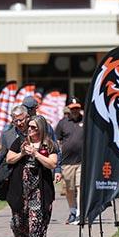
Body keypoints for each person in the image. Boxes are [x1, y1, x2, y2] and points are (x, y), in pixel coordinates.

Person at [6, 115, 57, 237]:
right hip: (20, 190)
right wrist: (22, 154)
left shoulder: (49, 145)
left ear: (41, 129)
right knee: (17, 222)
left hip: (39, 190)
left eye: (34, 127)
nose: (30, 130)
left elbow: (52, 163)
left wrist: (36, 154)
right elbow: (9, 159)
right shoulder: (21, 142)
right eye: (29, 127)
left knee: (35, 221)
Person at [55, 96, 83, 225]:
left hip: (82, 162)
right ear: (69, 110)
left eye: (77, 108)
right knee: (69, 189)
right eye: (73, 109)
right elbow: (57, 141)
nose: (75, 111)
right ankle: (72, 211)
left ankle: (80, 213)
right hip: (67, 162)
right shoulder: (63, 123)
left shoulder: (86, 121)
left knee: (80, 186)